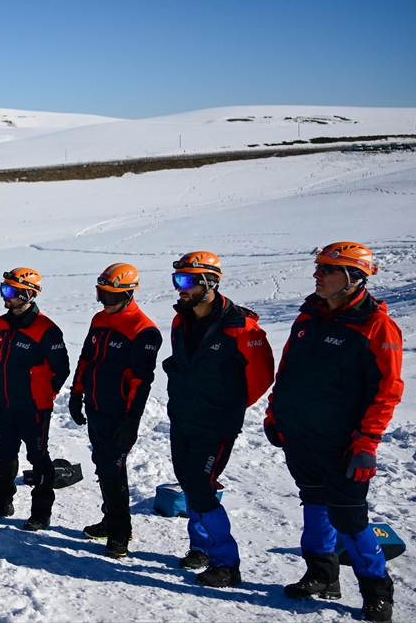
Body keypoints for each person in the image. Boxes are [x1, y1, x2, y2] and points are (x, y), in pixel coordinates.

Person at [265, 243, 402, 622]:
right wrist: (276, 413)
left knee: (350, 519)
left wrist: (367, 442)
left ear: (354, 277)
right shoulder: (308, 317)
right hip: (301, 435)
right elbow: (288, 370)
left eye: (328, 269)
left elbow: (386, 391)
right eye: (319, 268)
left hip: (343, 444)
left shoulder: (376, 326)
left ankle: (377, 592)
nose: (317, 275)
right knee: (314, 504)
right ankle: (322, 575)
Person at [163, 251, 274, 588]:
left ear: (209, 284)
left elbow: (261, 377)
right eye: (176, 280)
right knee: (190, 485)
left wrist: (225, 406)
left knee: (201, 487)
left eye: (186, 281)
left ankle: (226, 562)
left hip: (215, 425)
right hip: (183, 417)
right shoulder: (180, 320)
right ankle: (201, 548)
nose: (179, 288)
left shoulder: (242, 327)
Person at [69, 263, 163, 558]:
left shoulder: (143, 330)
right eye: (100, 295)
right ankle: (111, 520)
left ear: (127, 295)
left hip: (119, 413)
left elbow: (141, 382)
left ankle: (121, 531)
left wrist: (130, 421)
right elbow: (86, 358)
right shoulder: (99, 320)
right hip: (95, 406)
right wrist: (76, 393)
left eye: (109, 297)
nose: (103, 303)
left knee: (114, 469)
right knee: (103, 465)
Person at [0, 268, 70, 526]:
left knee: (38, 457)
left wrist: (42, 392)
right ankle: (1, 502)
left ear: (28, 294)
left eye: (10, 291)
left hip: (34, 407)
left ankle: (41, 512)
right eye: (2, 289)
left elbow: (61, 369)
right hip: (5, 404)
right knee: (5, 456)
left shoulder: (46, 329)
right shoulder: (2, 323)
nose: (4, 296)